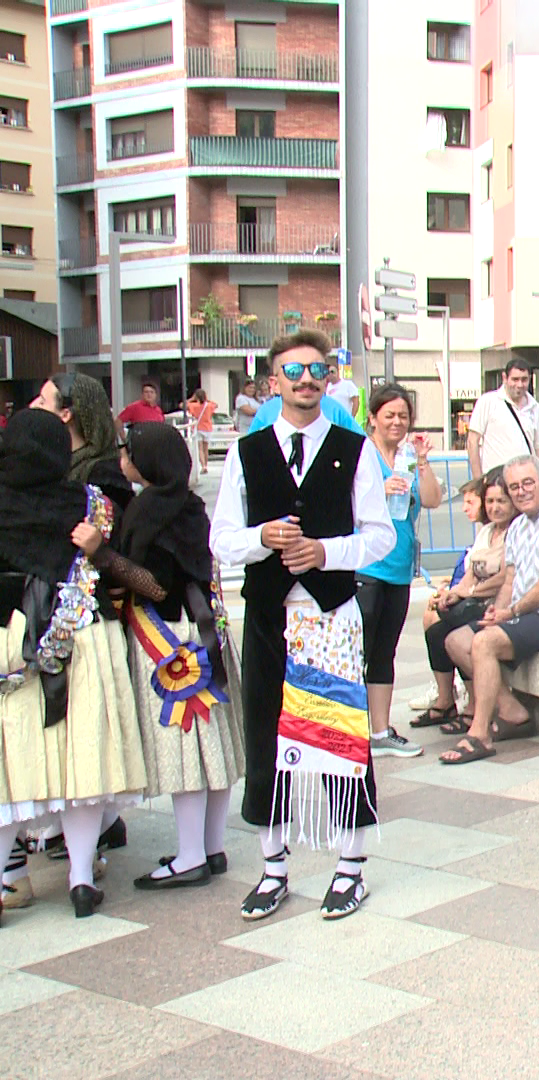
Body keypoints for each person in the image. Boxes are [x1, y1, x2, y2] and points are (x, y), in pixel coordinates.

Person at [210, 330, 395, 922]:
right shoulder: (248, 451)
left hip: (332, 615)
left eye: (318, 369)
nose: (307, 380)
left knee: (340, 738)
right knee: (266, 732)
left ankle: (349, 867)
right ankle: (272, 868)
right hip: (269, 616)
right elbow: (220, 539)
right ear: (274, 382)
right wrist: (261, 539)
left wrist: (326, 553)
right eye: (294, 371)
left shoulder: (354, 447)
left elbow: (380, 534)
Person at [76, 422, 243, 890]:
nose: (123, 457)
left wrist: (103, 555)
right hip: (206, 634)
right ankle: (211, 848)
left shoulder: (151, 510)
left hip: (170, 644)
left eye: (130, 450)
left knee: (186, 747)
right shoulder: (189, 505)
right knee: (214, 748)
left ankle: (190, 856)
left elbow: (154, 583)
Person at [0, 409, 146, 919]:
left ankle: (9, 876)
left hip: (11, 635)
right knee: (87, 758)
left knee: (10, 762)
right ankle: (82, 878)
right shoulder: (92, 504)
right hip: (81, 633)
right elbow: (126, 574)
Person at [436, 455, 539, 764]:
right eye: (514, 487)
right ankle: (512, 711)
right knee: (456, 640)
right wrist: (497, 612)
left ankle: (479, 734)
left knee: (485, 642)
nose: (521, 492)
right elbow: (509, 579)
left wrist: (511, 613)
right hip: (527, 613)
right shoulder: (520, 525)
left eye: (528, 483)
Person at [357, 384, 443, 760]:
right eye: (388, 415)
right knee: (355, 649)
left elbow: (432, 499)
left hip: (398, 566)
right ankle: (348, 730)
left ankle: (380, 731)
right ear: (372, 418)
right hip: (364, 566)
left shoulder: (408, 456)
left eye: (403, 417)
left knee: (383, 652)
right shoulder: (360, 456)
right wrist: (378, 489)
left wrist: (422, 462)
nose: (396, 422)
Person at [415, 476, 515, 730]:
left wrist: (469, 594)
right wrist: (454, 593)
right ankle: (446, 699)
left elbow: (504, 577)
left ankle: (475, 705)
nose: (495, 507)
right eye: (490, 501)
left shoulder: (517, 533)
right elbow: (471, 572)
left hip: (497, 605)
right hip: (476, 600)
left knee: (452, 633)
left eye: (501, 501)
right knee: (436, 626)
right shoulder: (487, 532)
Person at [36, 373, 136, 515]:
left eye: (42, 401)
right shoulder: (51, 461)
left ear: (65, 415)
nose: (33, 406)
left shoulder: (104, 476)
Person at [467, 357, 539, 478]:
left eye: (524, 380)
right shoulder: (488, 401)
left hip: (524, 482)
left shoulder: (534, 408)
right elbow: (472, 441)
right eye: (515, 379)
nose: (519, 385)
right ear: (505, 378)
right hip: (496, 482)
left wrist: (538, 478)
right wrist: (478, 480)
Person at [185, 388, 217, 475]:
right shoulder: (209, 406)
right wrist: (206, 400)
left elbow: (182, 405)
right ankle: (206, 464)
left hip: (198, 428)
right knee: (205, 448)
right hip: (208, 428)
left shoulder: (194, 405)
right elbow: (216, 405)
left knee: (200, 449)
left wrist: (192, 399)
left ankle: (203, 466)